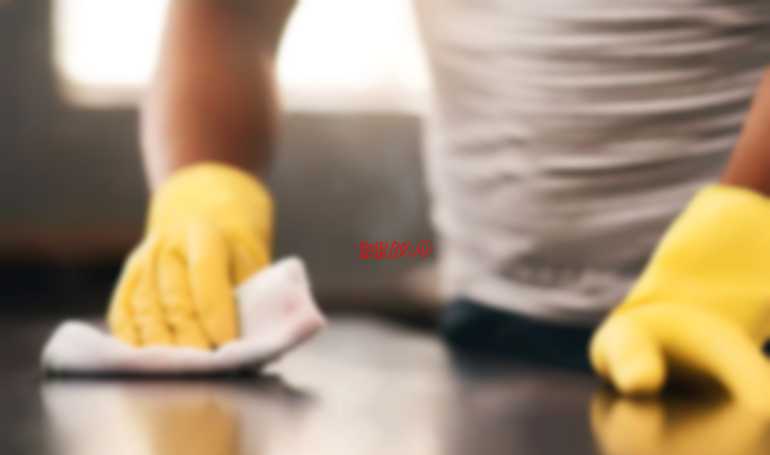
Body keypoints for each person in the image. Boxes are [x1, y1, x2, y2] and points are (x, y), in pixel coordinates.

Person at [107, 0, 770, 404]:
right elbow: (232, 13)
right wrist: (204, 190)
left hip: (743, 335)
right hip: (495, 326)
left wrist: (742, 240)